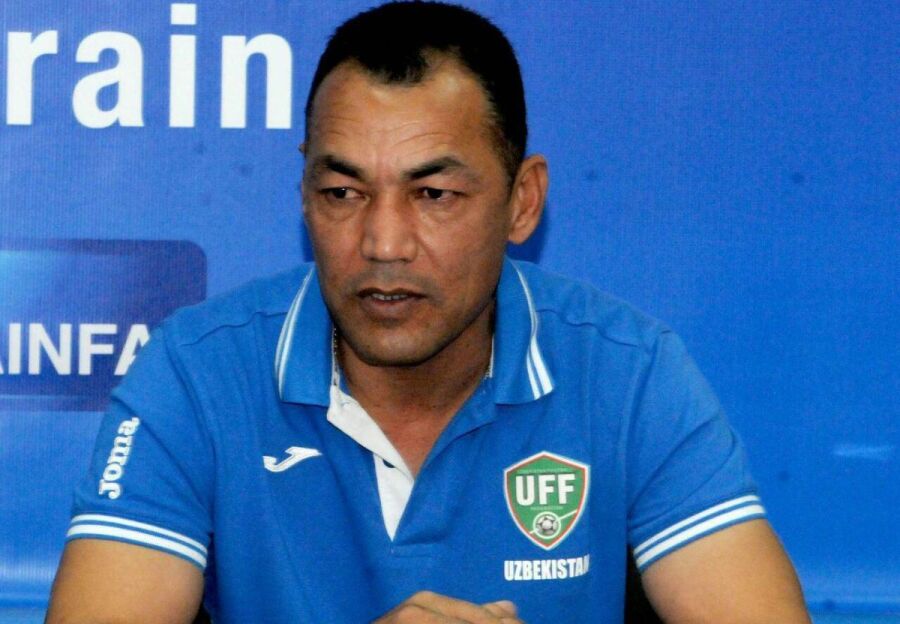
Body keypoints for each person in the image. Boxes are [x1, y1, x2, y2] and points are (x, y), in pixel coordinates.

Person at [47, 2, 811, 622]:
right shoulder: (196, 371)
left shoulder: (628, 372)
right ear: (304, 195)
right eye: (342, 192)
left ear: (522, 202)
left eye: (434, 194)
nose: (383, 242)